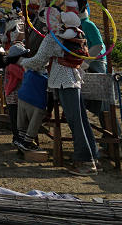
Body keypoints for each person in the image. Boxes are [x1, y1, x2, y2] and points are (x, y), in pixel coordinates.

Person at [20, 10, 100, 175]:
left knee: (75, 121)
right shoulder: (76, 33)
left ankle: (85, 162)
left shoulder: (53, 37)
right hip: (75, 78)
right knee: (81, 119)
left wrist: (22, 61)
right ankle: (93, 155)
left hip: (63, 82)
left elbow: (39, 60)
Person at [3, 42, 27, 146]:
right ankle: (17, 138)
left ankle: (17, 138)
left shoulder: (11, 65)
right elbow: (23, 76)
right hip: (13, 96)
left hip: (13, 95)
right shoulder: (13, 67)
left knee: (16, 118)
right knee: (16, 119)